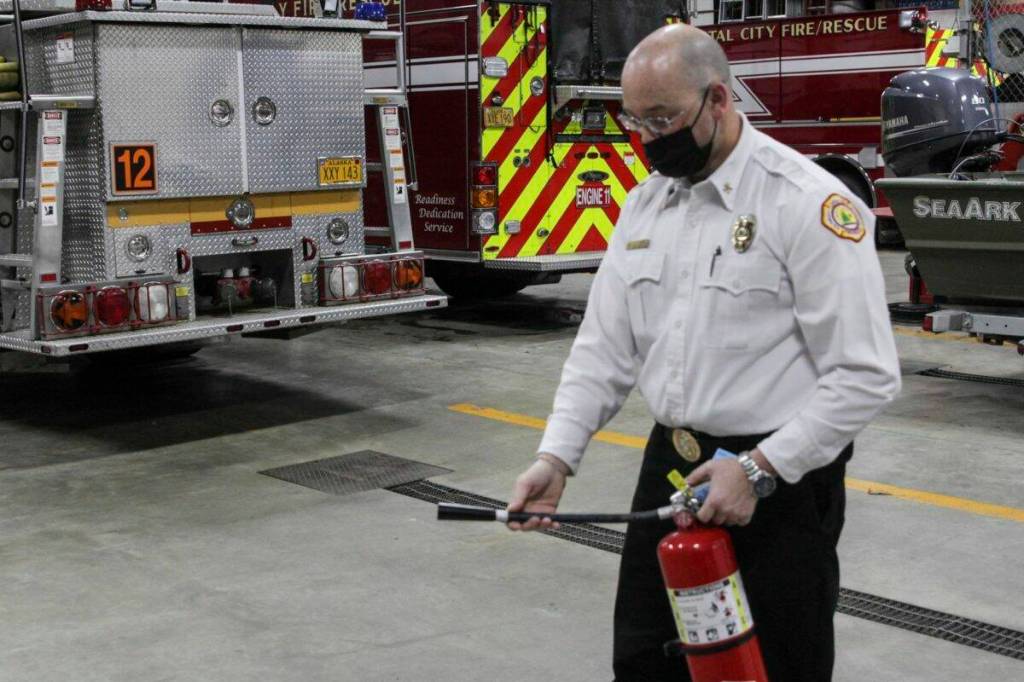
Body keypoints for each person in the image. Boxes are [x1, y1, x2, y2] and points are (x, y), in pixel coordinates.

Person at [506, 23, 901, 682]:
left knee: (775, 666)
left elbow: (865, 375)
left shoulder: (806, 202)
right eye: (635, 121)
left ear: (718, 99)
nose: (647, 139)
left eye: (663, 119)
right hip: (673, 467)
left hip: (779, 482)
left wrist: (759, 470)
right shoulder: (645, 206)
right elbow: (604, 349)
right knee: (646, 659)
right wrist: (556, 457)